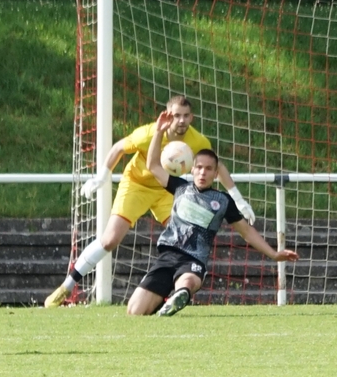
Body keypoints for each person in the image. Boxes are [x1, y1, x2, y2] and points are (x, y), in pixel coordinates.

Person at [44, 95, 256, 307]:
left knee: (188, 238)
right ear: (168, 115)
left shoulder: (199, 141)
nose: (181, 120)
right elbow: (118, 148)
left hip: (167, 191)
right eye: (176, 115)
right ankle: (66, 287)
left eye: (185, 116)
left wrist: (238, 200)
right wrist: (102, 177)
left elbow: (217, 166)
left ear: (191, 117)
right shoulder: (147, 134)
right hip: (137, 185)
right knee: (109, 240)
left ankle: (176, 291)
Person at [126, 110, 299, 316]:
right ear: (192, 169)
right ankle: (166, 302)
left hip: (193, 260)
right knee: (134, 311)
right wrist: (158, 132)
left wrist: (274, 254)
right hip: (167, 256)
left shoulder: (223, 201)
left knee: (188, 282)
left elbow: (246, 232)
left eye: (208, 169)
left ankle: (179, 295)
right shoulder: (180, 188)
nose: (203, 172)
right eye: (199, 167)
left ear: (216, 174)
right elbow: (153, 165)